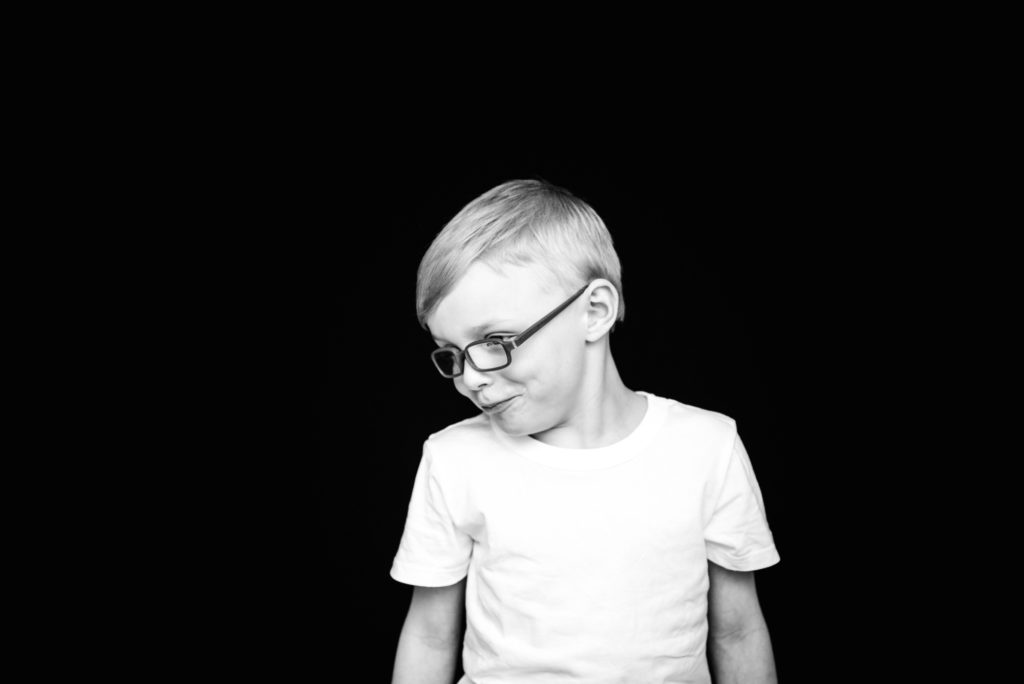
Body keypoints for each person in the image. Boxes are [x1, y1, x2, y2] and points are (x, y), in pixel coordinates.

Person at [389, 179, 780, 684]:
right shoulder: (454, 458)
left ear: (594, 311)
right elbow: (429, 635)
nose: (469, 377)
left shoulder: (707, 446)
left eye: (493, 340)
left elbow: (738, 632)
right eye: (452, 353)